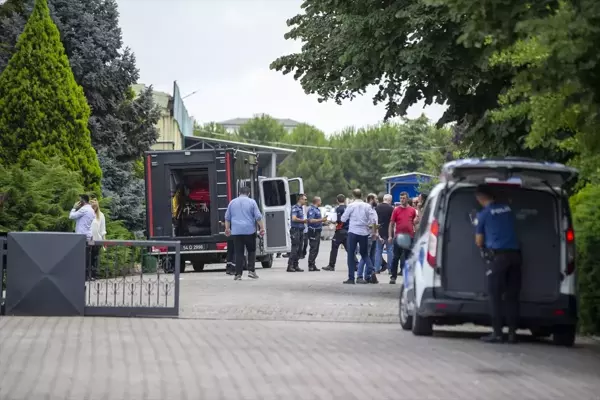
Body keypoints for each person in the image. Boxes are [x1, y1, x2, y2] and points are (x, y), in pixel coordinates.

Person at [474, 184, 521, 344]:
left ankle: (498, 333)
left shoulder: (484, 214)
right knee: (512, 296)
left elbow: (479, 240)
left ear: (480, 198)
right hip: (515, 256)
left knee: (494, 295)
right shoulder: (507, 209)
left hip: (498, 258)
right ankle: (513, 334)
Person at [224, 186, 265, 281]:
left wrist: (227, 229)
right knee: (251, 250)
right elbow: (258, 217)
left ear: (239, 193)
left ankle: (238, 274)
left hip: (236, 232)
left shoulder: (232, 202)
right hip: (249, 231)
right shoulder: (252, 202)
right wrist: (262, 228)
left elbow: (227, 218)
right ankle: (251, 271)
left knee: (239, 252)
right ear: (248, 193)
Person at [341, 189, 378, 284]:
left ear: (353, 196)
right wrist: (373, 233)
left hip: (353, 232)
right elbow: (373, 220)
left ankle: (351, 278)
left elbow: (343, 218)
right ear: (361, 195)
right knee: (364, 254)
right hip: (364, 233)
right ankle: (372, 269)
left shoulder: (351, 206)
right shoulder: (367, 206)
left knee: (351, 254)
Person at [388, 191, 417, 284]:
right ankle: (393, 276)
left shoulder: (412, 210)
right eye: (401, 198)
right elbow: (391, 224)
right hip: (398, 236)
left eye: (404, 198)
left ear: (407, 199)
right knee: (396, 257)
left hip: (409, 236)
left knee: (408, 258)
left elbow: (414, 223)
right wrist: (390, 236)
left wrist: (416, 234)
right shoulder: (396, 210)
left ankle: (408, 277)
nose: (402, 200)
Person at [323, 194, 354, 271]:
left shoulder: (339, 209)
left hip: (340, 231)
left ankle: (331, 265)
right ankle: (356, 264)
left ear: (337, 200)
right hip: (347, 230)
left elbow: (340, 220)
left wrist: (332, 221)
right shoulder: (347, 208)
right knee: (348, 248)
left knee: (334, 247)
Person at [356, 193, 378, 283]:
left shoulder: (373, 210)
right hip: (367, 236)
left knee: (372, 257)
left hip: (374, 236)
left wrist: (377, 233)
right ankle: (359, 276)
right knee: (365, 257)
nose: (377, 200)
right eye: (376, 199)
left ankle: (368, 276)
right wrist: (372, 228)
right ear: (371, 199)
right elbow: (364, 223)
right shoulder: (366, 209)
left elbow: (375, 223)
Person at [374, 194, 394, 274]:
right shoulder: (391, 209)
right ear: (389, 200)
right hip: (389, 232)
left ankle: (376, 269)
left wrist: (375, 232)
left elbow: (374, 221)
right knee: (390, 251)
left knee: (378, 251)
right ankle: (390, 269)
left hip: (379, 232)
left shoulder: (377, 208)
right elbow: (392, 222)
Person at [288, 194, 308, 272]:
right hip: (295, 230)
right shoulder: (295, 208)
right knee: (295, 248)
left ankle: (296, 265)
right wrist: (303, 221)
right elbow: (294, 218)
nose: (306, 201)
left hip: (300, 230)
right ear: (300, 199)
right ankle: (290, 265)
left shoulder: (300, 208)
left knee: (299, 249)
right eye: (305, 199)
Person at [306, 196, 327, 271]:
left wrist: (324, 221)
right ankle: (310, 265)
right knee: (313, 248)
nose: (321, 202)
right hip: (313, 231)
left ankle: (313, 264)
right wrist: (322, 219)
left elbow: (318, 220)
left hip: (317, 231)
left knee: (316, 249)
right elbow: (310, 220)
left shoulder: (317, 209)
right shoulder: (312, 210)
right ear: (317, 201)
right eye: (320, 201)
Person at [89, 199, 107, 280]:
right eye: (93, 207)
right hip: (89, 239)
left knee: (95, 257)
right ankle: (88, 274)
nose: (94, 208)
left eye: (95, 207)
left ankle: (94, 274)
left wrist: (104, 241)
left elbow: (102, 230)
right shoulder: (88, 214)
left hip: (97, 240)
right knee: (88, 257)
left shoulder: (101, 215)